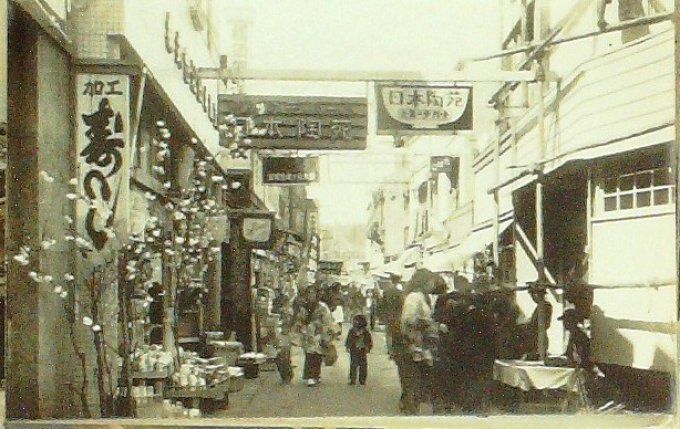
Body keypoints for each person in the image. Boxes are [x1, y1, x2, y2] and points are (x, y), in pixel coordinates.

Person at [400, 269, 447, 415]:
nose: (433, 284)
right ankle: (412, 411)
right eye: (431, 281)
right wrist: (430, 324)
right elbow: (409, 319)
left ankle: (414, 409)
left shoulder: (422, 297)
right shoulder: (414, 297)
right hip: (416, 344)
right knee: (416, 380)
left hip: (422, 345)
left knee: (420, 381)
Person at [295, 285, 335, 387]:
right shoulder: (304, 306)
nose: (310, 295)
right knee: (309, 355)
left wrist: (327, 334)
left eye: (312, 293)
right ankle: (310, 375)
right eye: (309, 293)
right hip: (307, 334)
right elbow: (299, 319)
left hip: (318, 334)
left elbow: (328, 321)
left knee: (316, 355)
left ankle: (314, 376)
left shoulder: (322, 307)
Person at [521, 284, 553, 360]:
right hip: (535, 338)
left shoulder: (545, 306)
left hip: (538, 339)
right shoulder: (541, 306)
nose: (532, 298)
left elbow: (541, 324)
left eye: (533, 295)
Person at [345, 314, 373, 386]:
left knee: (362, 365)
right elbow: (349, 339)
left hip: (362, 350)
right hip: (354, 349)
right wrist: (347, 346)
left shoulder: (365, 332)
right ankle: (352, 379)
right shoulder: (352, 331)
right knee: (354, 364)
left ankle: (362, 380)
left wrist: (368, 347)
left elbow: (369, 341)